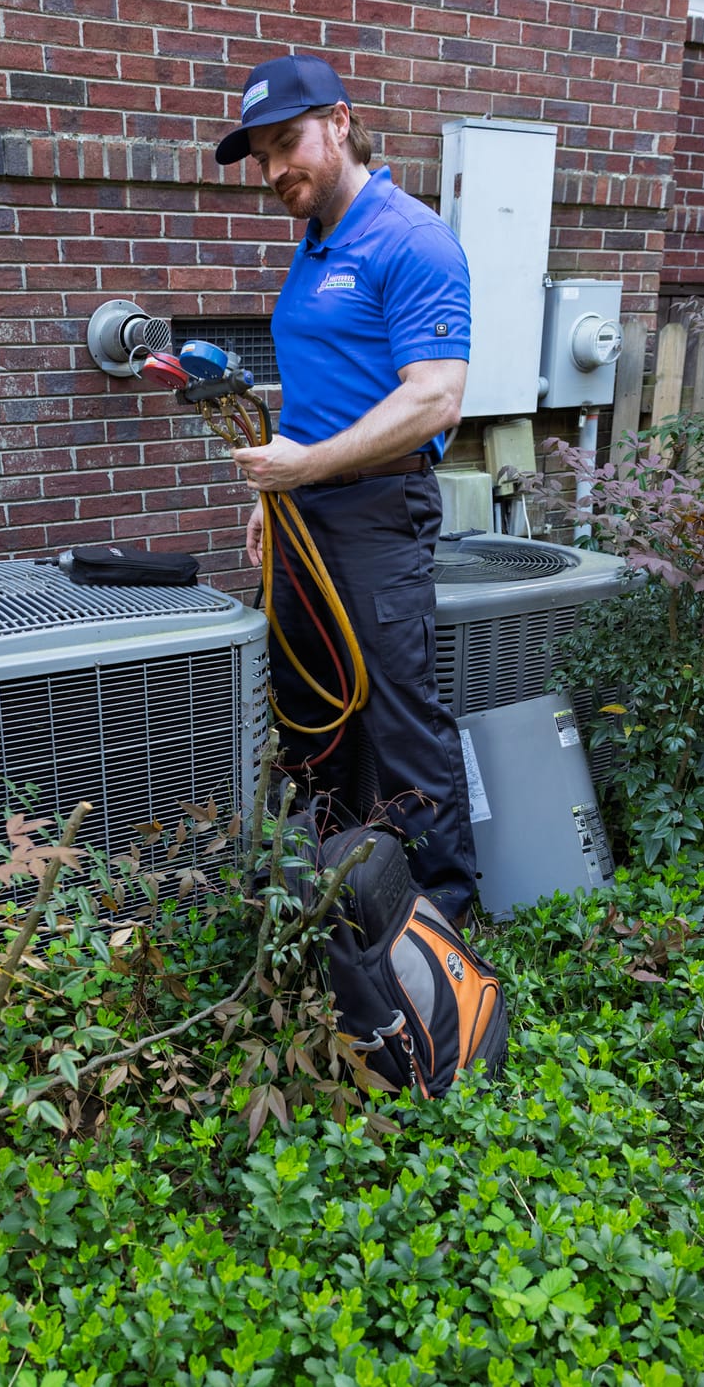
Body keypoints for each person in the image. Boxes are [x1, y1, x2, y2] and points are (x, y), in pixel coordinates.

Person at [215, 52, 477, 923]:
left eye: (287, 142)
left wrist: (305, 470)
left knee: (402, 718)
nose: (276, 169)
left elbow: (435, 396)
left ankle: (446, 918)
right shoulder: (313, 245)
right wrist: (274, 499)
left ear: (339, 122)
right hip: (304, 515)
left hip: (375, 511)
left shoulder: (412, 238)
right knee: (308, 706)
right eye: (262, 157)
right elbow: (324, 392)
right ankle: (328, 894)